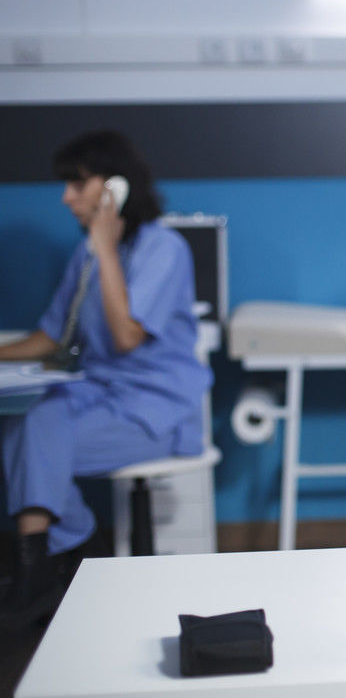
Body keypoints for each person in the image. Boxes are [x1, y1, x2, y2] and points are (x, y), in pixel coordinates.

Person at [0, 130, 211, 628]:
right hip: (95, 396)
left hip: (153, 408)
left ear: (114, 187)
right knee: (19, 427)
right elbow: (50, 337)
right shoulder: (86, 258)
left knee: (29, 439)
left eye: (77, 183)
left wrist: (105, 245)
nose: (66, 196)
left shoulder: (163, 247)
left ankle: (48, 571)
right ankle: (58, 566)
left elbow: (125, 337)